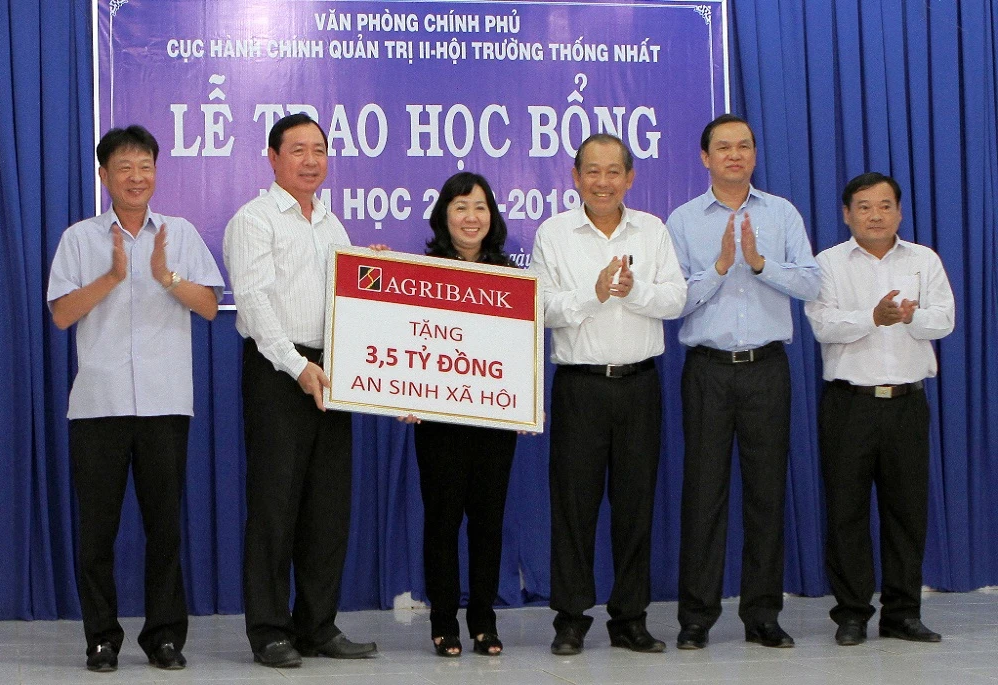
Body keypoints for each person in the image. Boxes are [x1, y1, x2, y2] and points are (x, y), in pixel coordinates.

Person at [47, 125, 223, 672]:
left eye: (145, 166)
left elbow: (209, 306)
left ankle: (164, 637)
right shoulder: (80, 239)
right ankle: (101, 639)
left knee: (164, 528)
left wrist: (164, 275)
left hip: (165, 403)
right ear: (104, 175)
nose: (136, 177)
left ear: (156, 172)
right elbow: (61, 314)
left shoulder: (179, 233)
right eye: (124, 167)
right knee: (97, 533)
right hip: (98, 404)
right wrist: (112, 277)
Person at [223, 112, 376, 668]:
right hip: (277, 372)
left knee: (327, 508)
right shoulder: (255, 220)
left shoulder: (333, 227)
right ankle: (269, 630)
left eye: (319, 150)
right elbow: (255, 303)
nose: (311, 161)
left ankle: (317, 625)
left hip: (329, 372)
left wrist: (373, 274)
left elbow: (347, 299)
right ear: (273, 157)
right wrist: (296, 365)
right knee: (275, 505)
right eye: (298, 150)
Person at [666, 114, 821, 650]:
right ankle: (696, 618)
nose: (734, 155)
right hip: (707, 370)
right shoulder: (683, 220)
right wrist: (719, 268)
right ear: (705, 158)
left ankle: (762, 615)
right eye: (723, 147)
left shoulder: (781, 213)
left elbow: (812, 284)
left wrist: (758, 264)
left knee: (766, 494)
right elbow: (673, 300)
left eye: (744, 146)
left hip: (767, 369)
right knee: (703, 495)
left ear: (754, 154)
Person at [530, 133, 687, 655]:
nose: (603, 182)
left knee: (636, 508)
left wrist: (633, 291)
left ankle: (631, 619)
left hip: (640, 385)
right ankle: (571, 619)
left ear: (630, 178)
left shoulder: (653, 230)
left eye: (613, 171)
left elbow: (676, 299)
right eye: (592, 172)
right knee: (573, 508)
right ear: (576, 177)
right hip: (580, 387)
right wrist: (593, 294)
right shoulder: (554, 234)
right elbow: (540, 308)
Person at [805, 172, 954, 646]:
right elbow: (823, 325)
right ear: (847, 214)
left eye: (885, 206)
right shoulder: (828, 263)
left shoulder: (923, 260)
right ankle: (851, 614)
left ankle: (903, 614)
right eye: (865, 207)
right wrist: (872, 317)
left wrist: (911, 316)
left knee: (906, 513)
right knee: (845, 513)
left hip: (907, 404)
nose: (876, 215)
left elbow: (944, 320)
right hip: (849, 404)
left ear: (899, 212)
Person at [398, 172, 518, 658]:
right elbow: (406, 342)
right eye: (461, 207)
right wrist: (403, 393)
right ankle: (443, 621)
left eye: (480, 207)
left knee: (488, 523)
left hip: (494, 421)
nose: (472, 217)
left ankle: (484, 621)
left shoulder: (511, 277)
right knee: (443, 523)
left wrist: (525, 397)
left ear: (492, 216)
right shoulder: (422, 273)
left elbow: (517, 351)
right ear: (444, 216)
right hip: (439, 422)